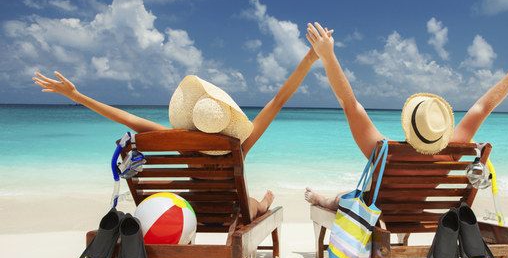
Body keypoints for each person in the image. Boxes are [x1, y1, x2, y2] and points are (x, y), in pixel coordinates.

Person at [33, 41, 330, 219]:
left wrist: (76, 96)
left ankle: (261, 202)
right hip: (231, 212)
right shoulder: (239, 144)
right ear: (227, 121)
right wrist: (311, 58)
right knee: (255, 204)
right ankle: (266, 202)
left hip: (194, 210)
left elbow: (127, 119)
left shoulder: (183, 144)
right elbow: (278, 101)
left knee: (198, 187)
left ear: (193, 120)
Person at [303, 22, 508, 210]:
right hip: (417, 210)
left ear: (409, 124)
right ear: (441, 130)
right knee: (354, 195)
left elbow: (350, 105)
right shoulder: (452, 152)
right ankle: (325, 198)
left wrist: (327, 55)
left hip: (379, 212)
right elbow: (482, 108)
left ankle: (324, 200)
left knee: (345, 199)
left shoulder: (383, 153)